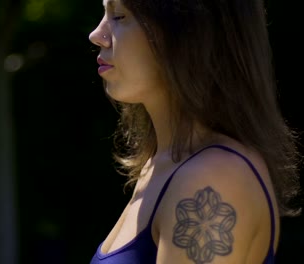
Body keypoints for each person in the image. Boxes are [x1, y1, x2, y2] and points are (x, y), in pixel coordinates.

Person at [87, 0, 302, 263]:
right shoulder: (165, 164)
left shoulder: (213, 178)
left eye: (119, 16)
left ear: (190, 32)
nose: (97, 35)